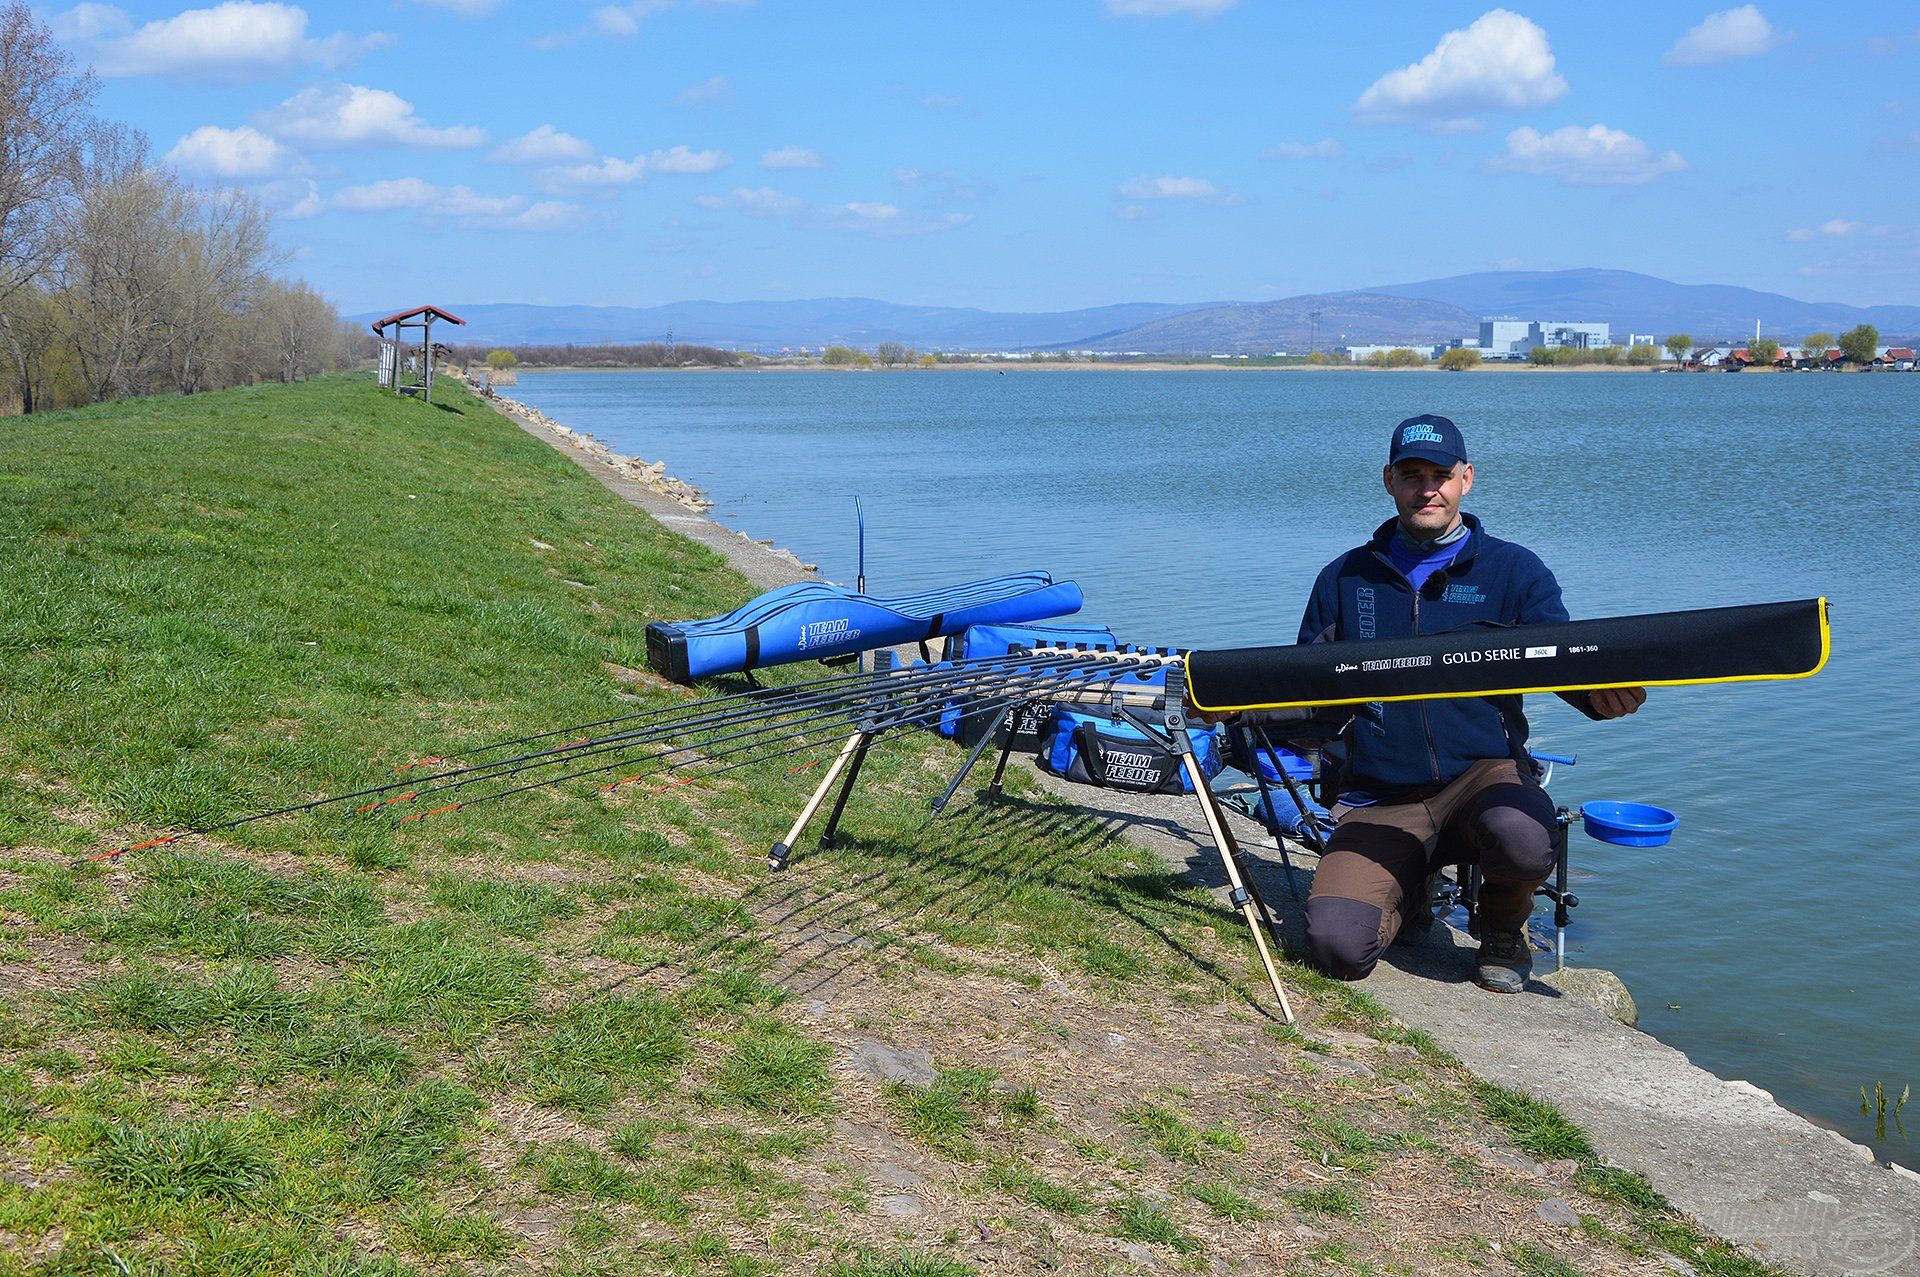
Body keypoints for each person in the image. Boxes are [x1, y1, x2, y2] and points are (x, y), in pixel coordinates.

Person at [1285, 414, 1645, 993]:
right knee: (1336, 948)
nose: (1427, 488)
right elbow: (1308, 690)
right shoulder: (1344, 577)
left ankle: (1502, 931)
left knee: (1525, 839)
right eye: (1412, 475)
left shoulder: (1514, 570)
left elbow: (1565, 661)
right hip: (1380, 794)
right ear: (1389, 481)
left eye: (1440, 475)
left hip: (1483, 776)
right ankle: (1411, 887)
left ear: (1466, 479)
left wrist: (1602, 699)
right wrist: (1237, 709)